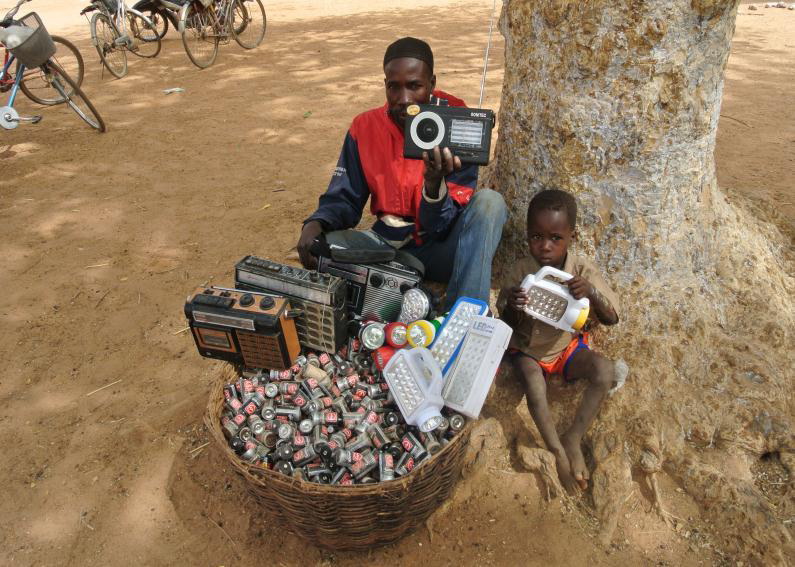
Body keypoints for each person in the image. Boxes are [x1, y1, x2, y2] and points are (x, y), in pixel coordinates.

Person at [296, 36, 507, 310]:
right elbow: (345, 199)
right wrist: (316, 223)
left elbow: (441, 224)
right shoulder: (365, 127)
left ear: (432, 83)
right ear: (385, 85)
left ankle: (464, 317)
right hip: (386, 247)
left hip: (440, 249)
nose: (404, 99)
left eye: (415, 86)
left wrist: (433, 186)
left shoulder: (458, 121)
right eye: (394, 87)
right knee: (319, 247)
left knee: (490, 203)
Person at [496, 189, 620, 494]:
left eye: (555, 238)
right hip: (528, 349)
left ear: (571, 236)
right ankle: (556, 452)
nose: (545, 247)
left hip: (567, 349)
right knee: (533, 384)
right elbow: (505, 324)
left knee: (605, 371)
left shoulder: (579, 270)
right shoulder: (521, 270)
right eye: (536, 237)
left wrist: (590, 291)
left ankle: (573, 438)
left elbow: (612, 316)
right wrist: (512, 304)